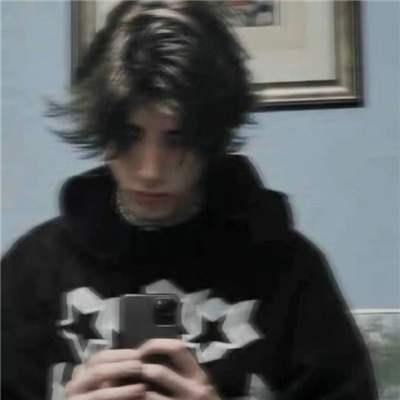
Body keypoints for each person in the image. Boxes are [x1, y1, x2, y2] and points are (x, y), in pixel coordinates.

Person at [1, 1, 378, 399]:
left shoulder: (286, 266)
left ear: (211, 137)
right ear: (102, 128)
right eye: (129, 135)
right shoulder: (35, 268)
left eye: (177, 138)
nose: (150, 170)